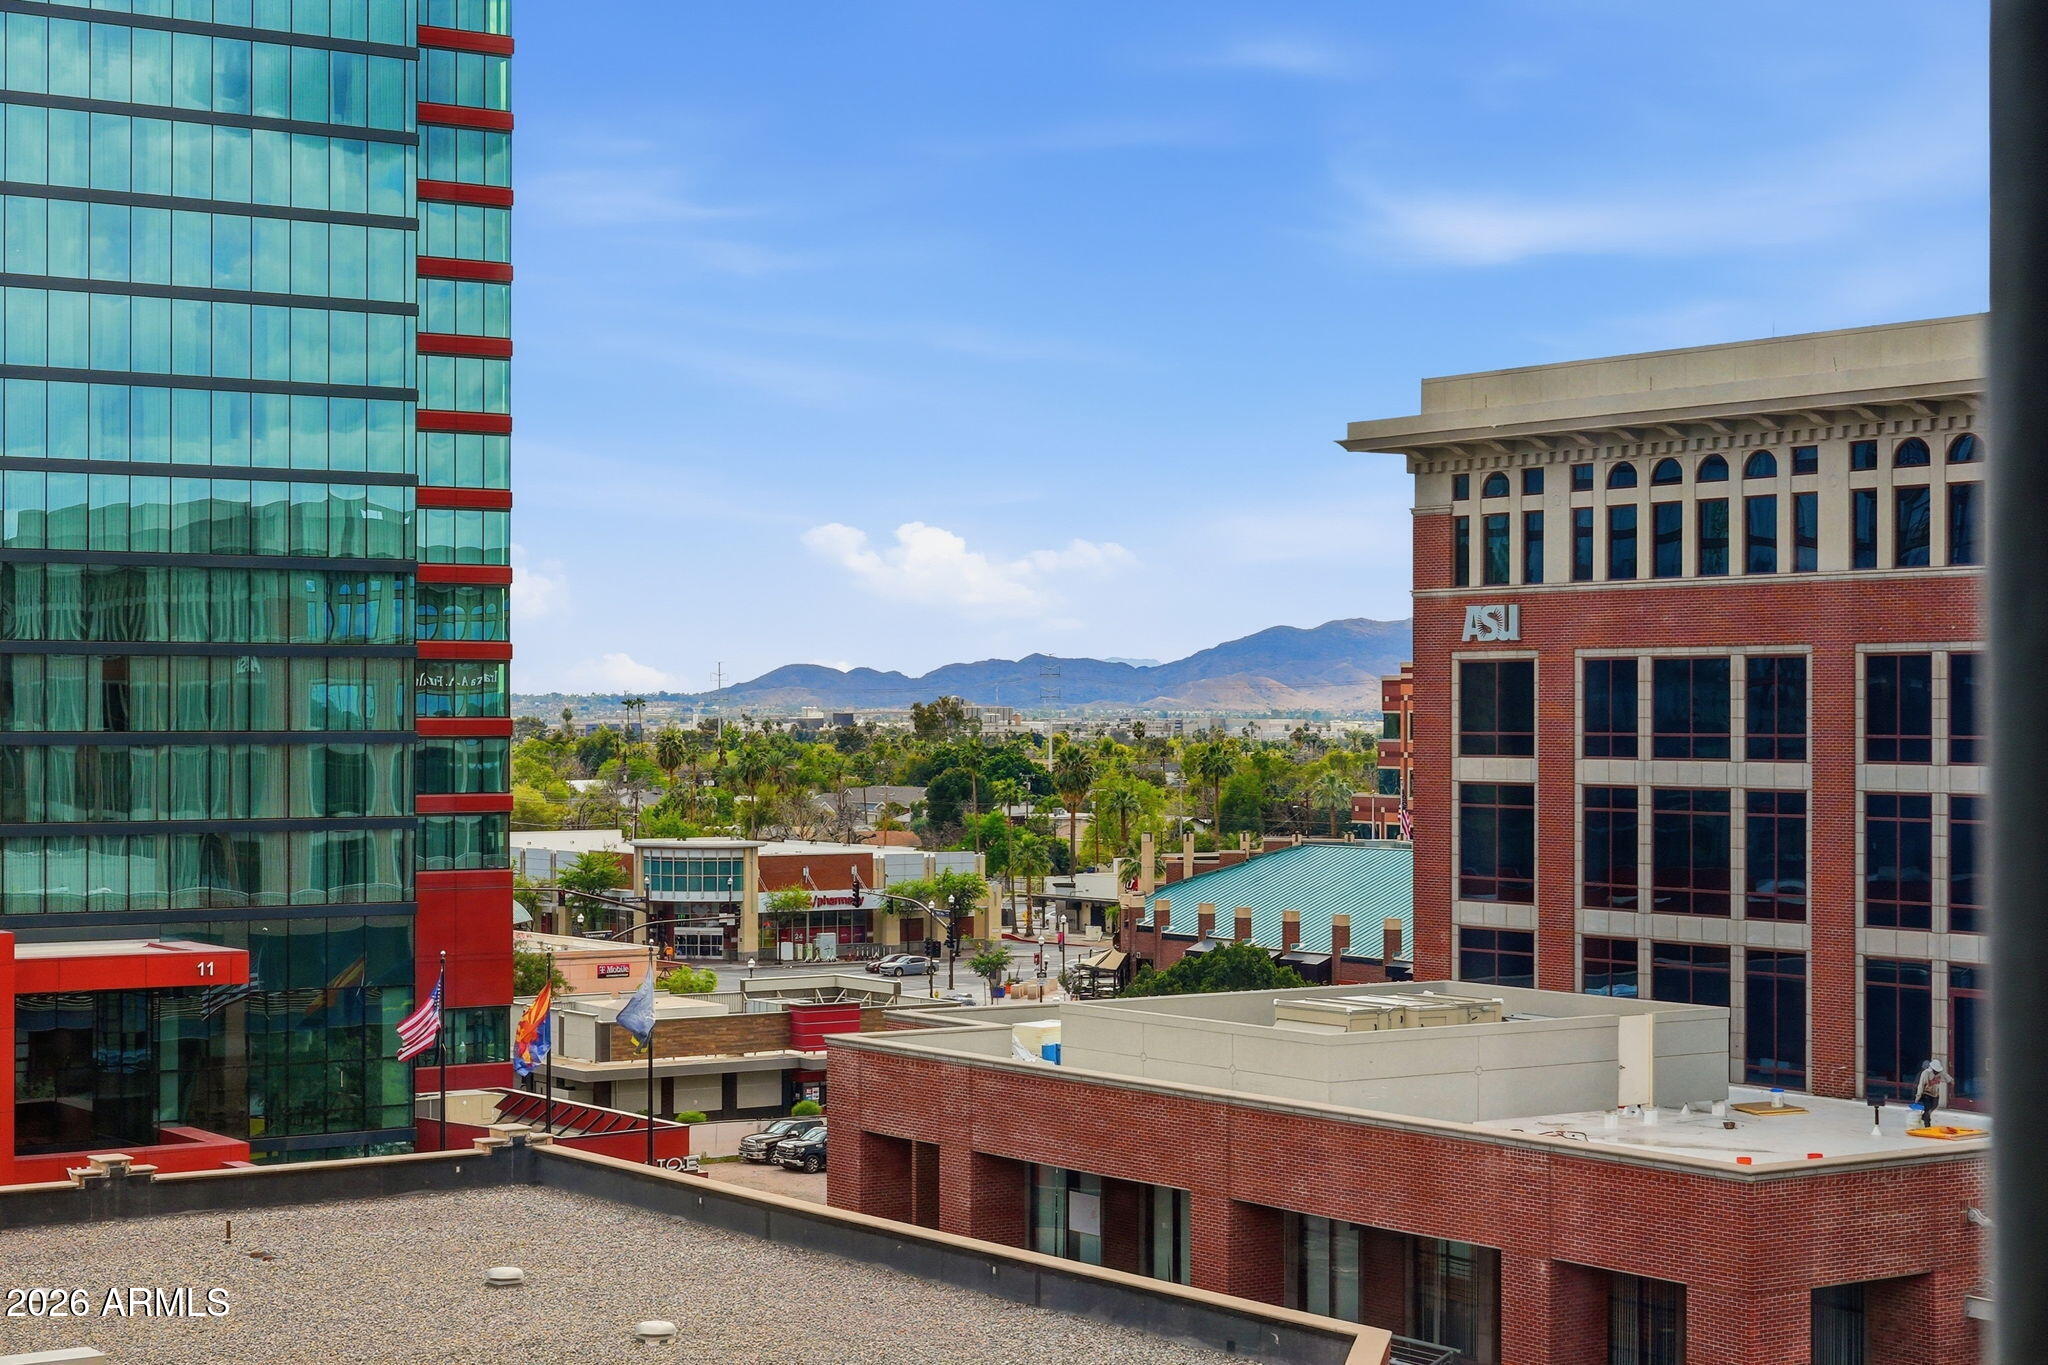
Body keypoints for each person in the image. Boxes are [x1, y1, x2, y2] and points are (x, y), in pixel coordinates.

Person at [1913, 1059, 1950, 1128]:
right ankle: (1927, 1125)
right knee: (1927, 1109)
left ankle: (1924, 1117)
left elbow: (1945, 1077)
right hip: (1926, 1094)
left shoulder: (1938, 1074)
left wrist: (1950, 1080)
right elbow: (1919, 1086)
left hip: (1934, 1094)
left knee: (1932, 1107)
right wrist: (1917, 1097)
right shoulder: (1924, 1074)